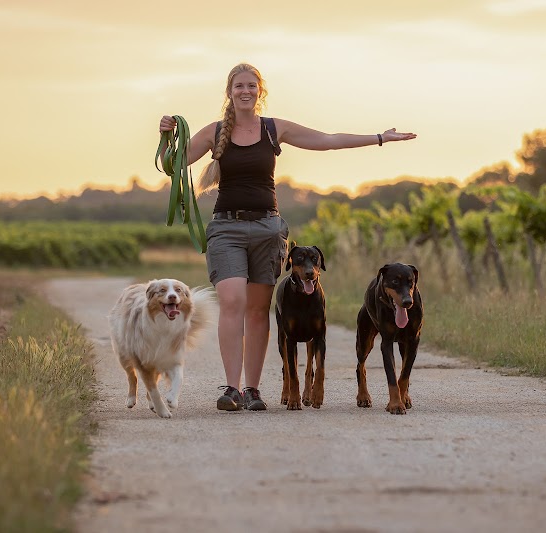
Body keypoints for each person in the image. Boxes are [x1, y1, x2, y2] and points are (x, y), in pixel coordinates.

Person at [159, 63, 416, 412]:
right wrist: (166, 135)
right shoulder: (214, 131)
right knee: (233, 301)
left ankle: (252, 390)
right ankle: (231, 389)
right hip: (226, 228)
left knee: (259, 308)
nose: (245, 91)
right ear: (229, 91)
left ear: (259, 91)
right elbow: (173, 166)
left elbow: (326, 141)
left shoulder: (272, 129)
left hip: (268, 228)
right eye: (239, 86)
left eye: (251, 85)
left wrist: (380, 137)